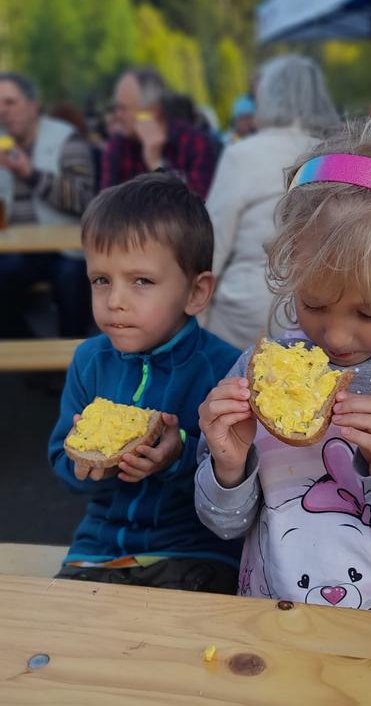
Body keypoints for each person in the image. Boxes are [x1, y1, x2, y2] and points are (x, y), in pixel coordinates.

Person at [195, 111, 371, 639]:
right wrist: (227, 467)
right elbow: (224, 526)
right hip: (276, 636)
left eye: (370, 312)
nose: (335, 336)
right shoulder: (259, 374)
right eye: (313, 304)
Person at [48, 173, 242, 593]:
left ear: (196, 292)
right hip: (99, 548)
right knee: (59, 622)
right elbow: (61, 463)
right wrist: (84, 462)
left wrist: (178, 456)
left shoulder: (225, 369)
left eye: (141, 281)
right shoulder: (89, 361)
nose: (115, 300)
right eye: (101, 280)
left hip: (193, 551)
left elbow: (239, 475)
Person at [204, 55, 340, 349]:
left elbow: (212, 242)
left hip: (243, 316)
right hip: (316, 311)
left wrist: (195, 314)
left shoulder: (242, 155)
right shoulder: (334, 155)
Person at [0, 73, 95, 338]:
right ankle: (31, 356)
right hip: (15, 250)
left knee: (71, 277)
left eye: (10, 102)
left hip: (65, 250)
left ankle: (73, 355)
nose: (2, 111)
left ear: (33, 105)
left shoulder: (66, 139)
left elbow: (85, 200)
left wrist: (30, 174)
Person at [99, 67, 219, 200]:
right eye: (116, 107)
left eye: (124, 109)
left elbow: (198, 205)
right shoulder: (117, 146)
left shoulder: (195, 143)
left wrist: (157, 164)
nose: (117, 115)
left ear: (152, 111)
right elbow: (105, 206)